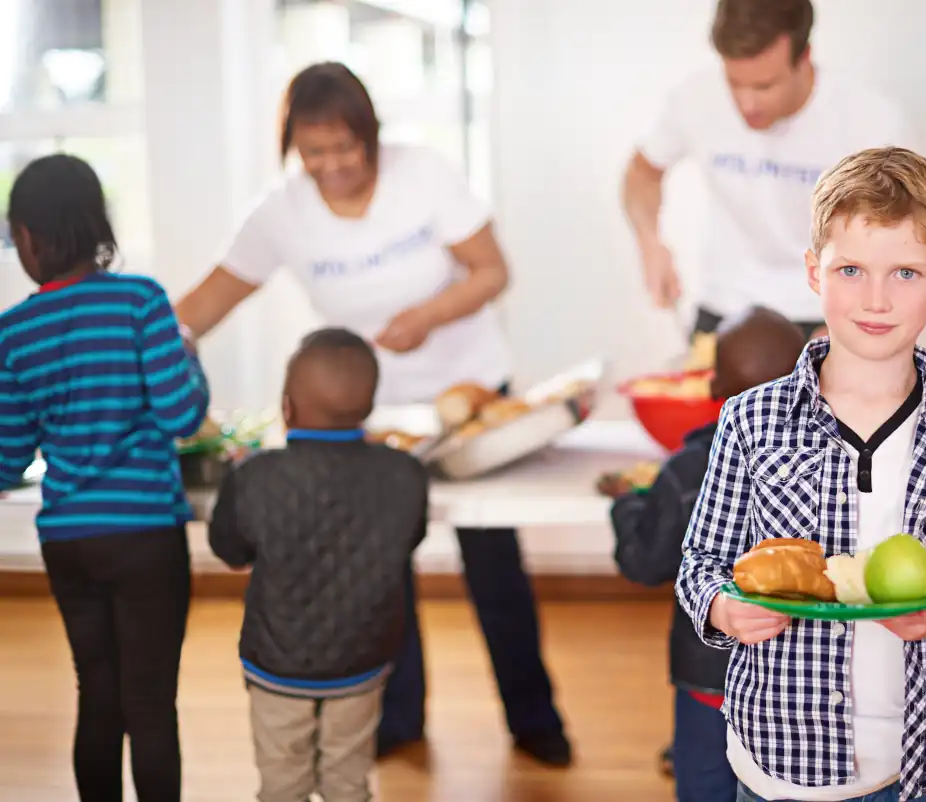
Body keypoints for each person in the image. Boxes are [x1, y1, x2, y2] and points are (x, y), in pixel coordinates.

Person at [173, 61, 571, 766]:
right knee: (384, 564)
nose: (331, 166)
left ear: (371, 136)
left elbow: (492, 271)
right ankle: (398, 719)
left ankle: (533, 719)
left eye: (344, 148)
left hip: (467, 391)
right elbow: (199, 309)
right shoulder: (280, 214)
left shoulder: (424, 174)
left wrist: (426, 317)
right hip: (372, 408)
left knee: (493, 561)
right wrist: (135, 342)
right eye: (313, 152)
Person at [675, 147, 926, 802]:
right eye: (850, 269)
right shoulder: (750, 423)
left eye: (904, 272)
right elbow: (700, 562)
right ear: (814, 272)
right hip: (781, 757)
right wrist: (725, 608)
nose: (876, 298)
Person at [0, 154, 210, 802]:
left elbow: (7, 460)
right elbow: (181, 415)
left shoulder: (14, 333)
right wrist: (188, 355)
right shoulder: (140, 301)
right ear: (99, 228)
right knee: (150, 701)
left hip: (69, 540)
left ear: (28, 239)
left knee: (98, 693)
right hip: (146, 535)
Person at [208, 327, 428, 802]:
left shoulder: (254, 475)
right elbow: (407, 540)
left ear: (286, 407)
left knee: (283, 779)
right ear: (369, 407)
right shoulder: (404, 473)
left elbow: (231, 551)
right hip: (363, 660)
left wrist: (239, 477)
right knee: (348, 778)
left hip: (276, 663)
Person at [602, 306, 807, 802]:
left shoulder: (687, 470)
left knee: (706, 783)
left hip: (709, 678)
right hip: (800, 680)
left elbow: (643, 562)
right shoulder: (832, 461)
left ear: (714, 389)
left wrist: (628, 504)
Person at [623, 0, 910, 341]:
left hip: (826, 313)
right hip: (725, 311)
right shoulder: (695, 97)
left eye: (764, 87)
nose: (747, 105)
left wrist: (857, 315)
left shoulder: (870, 122)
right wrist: (649, 242)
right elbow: (643, 173)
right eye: (734, 83)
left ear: (804, 58)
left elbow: (904, 235)